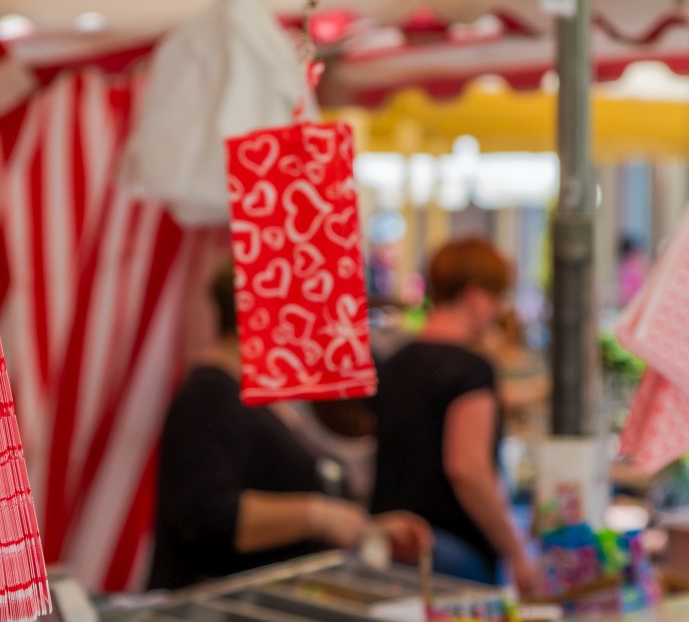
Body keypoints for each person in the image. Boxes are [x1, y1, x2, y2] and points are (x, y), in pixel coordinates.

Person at [147, 264, 429, 590]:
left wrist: (364, 528)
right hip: (220, 604)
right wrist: (318, 516)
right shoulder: (210, 394)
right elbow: (204, 514)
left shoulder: (256, 392)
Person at [371, 238, 540, 592]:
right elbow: (468, 470)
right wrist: (516, 552)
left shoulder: (396, 362)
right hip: (451, 555)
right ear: (476, 296)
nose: (497, 311)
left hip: (391, 545)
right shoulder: (470, 369)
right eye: (496, 298)